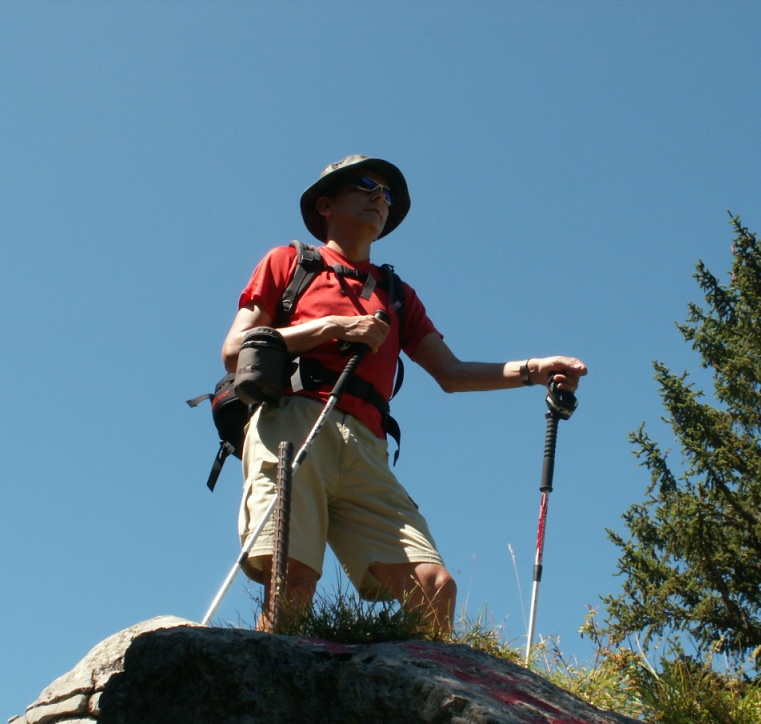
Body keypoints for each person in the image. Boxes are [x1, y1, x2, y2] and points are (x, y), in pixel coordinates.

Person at [221, 155, 587, 635]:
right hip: (294, 422)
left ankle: (424, 703)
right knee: (293, 582)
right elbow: (235, 350)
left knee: (435, 587)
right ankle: (268, 696)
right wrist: (332, 327)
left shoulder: (396, 293)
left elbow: (450, 372)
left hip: (367, 449)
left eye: (388, 195)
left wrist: (534, 371)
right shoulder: (288, 262)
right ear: (326, 204)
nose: (380, 198)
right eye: (367, 185)